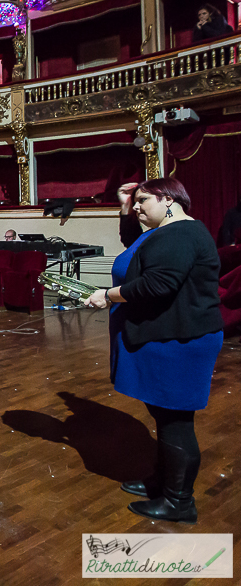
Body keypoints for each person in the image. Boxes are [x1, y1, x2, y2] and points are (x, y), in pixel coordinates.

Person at [83, 179, 222, 524]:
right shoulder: (172, 232)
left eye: (143, 200)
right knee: (167, 419)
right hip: (174, 337)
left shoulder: (179, 234)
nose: (137, 207)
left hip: (180, 341)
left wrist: (108, 295)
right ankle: (164, 483)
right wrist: (124, 203)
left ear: (169, 199)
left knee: (175, 422)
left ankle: (179, 502)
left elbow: (158, 284)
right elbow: (138, 248)